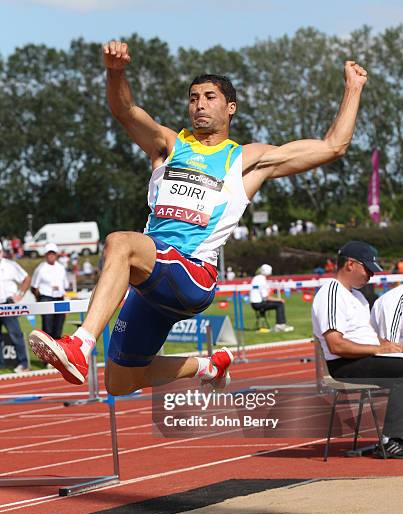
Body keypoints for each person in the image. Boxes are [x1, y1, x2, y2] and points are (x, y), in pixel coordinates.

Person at [29, 40, 369, 396]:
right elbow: (126, 111)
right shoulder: (169, 145)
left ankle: (81, 344)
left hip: (193, 274)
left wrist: (353, 88)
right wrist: (115, 72)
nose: (199, 104)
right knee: (120, 380)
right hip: (151, 280)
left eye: (209, 97)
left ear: (230, 107)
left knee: (119, 242)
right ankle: (210, 364)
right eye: (193, 98)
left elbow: (333, 146)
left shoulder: (245, 160)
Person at [312, 240, 403, 458]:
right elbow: (336, 344)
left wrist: (388, 346)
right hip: (346, 364)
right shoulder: (331, 293)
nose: (371, 275)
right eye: (368, 269)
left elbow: (369, 335)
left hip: (363, 359)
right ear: (350, 264)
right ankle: (393, 440)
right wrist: (376, 349)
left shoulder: (358, 296)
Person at [0, 241, 31, 373]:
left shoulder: (11, 265)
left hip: (8, 304)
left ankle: (23, 363)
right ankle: (1, 365)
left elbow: (26, 278)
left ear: (1, 252)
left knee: (15, 334)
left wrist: (20, 294)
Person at [31, 243, 69, 344]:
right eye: (49, 253)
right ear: (45, 255)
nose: (51, 255)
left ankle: (56, 357)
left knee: (58, 330)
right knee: (47, 331)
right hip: (46, 298)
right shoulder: (40, 269)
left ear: (56, 254)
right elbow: (34, 287)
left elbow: (65, 285)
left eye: (53, 253)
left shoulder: (61, 268)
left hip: (60, 299)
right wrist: (39, 299)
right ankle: (46, 358)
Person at [249, 264, 294, 332]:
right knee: (280, 304)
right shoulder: (262, 279)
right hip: (258, 303)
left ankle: (280, 325)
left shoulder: (256, 278)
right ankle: (280, 325)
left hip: (253, 303)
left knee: (278, 303)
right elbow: (266, 297)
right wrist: (279, 299)